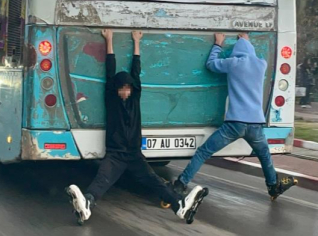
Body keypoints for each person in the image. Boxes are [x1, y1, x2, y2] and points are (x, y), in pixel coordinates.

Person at [66, 29, 208, 225]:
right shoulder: (111, 98)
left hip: (133, 154)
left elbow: (136, 71)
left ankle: (180, 207)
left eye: (128, 88)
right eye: (122, 88)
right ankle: (87, 205)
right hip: (115, 154)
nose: (125, 91)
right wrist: (109, 40)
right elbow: (110, 69)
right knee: (102, 180)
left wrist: (137, 42)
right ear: (116, 89)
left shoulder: (135, 99)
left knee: (154, 181)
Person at [173, 33, 297, 200]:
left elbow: (210, 64)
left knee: (204, 152)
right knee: (264, 155)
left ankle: (181, 184)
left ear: (236, 51)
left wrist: (218, 44)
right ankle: (273, 186)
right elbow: (256, 53)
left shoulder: (233, 63)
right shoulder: (261, 64)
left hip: (234, 124)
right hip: (255, 125)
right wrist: (246, 40)